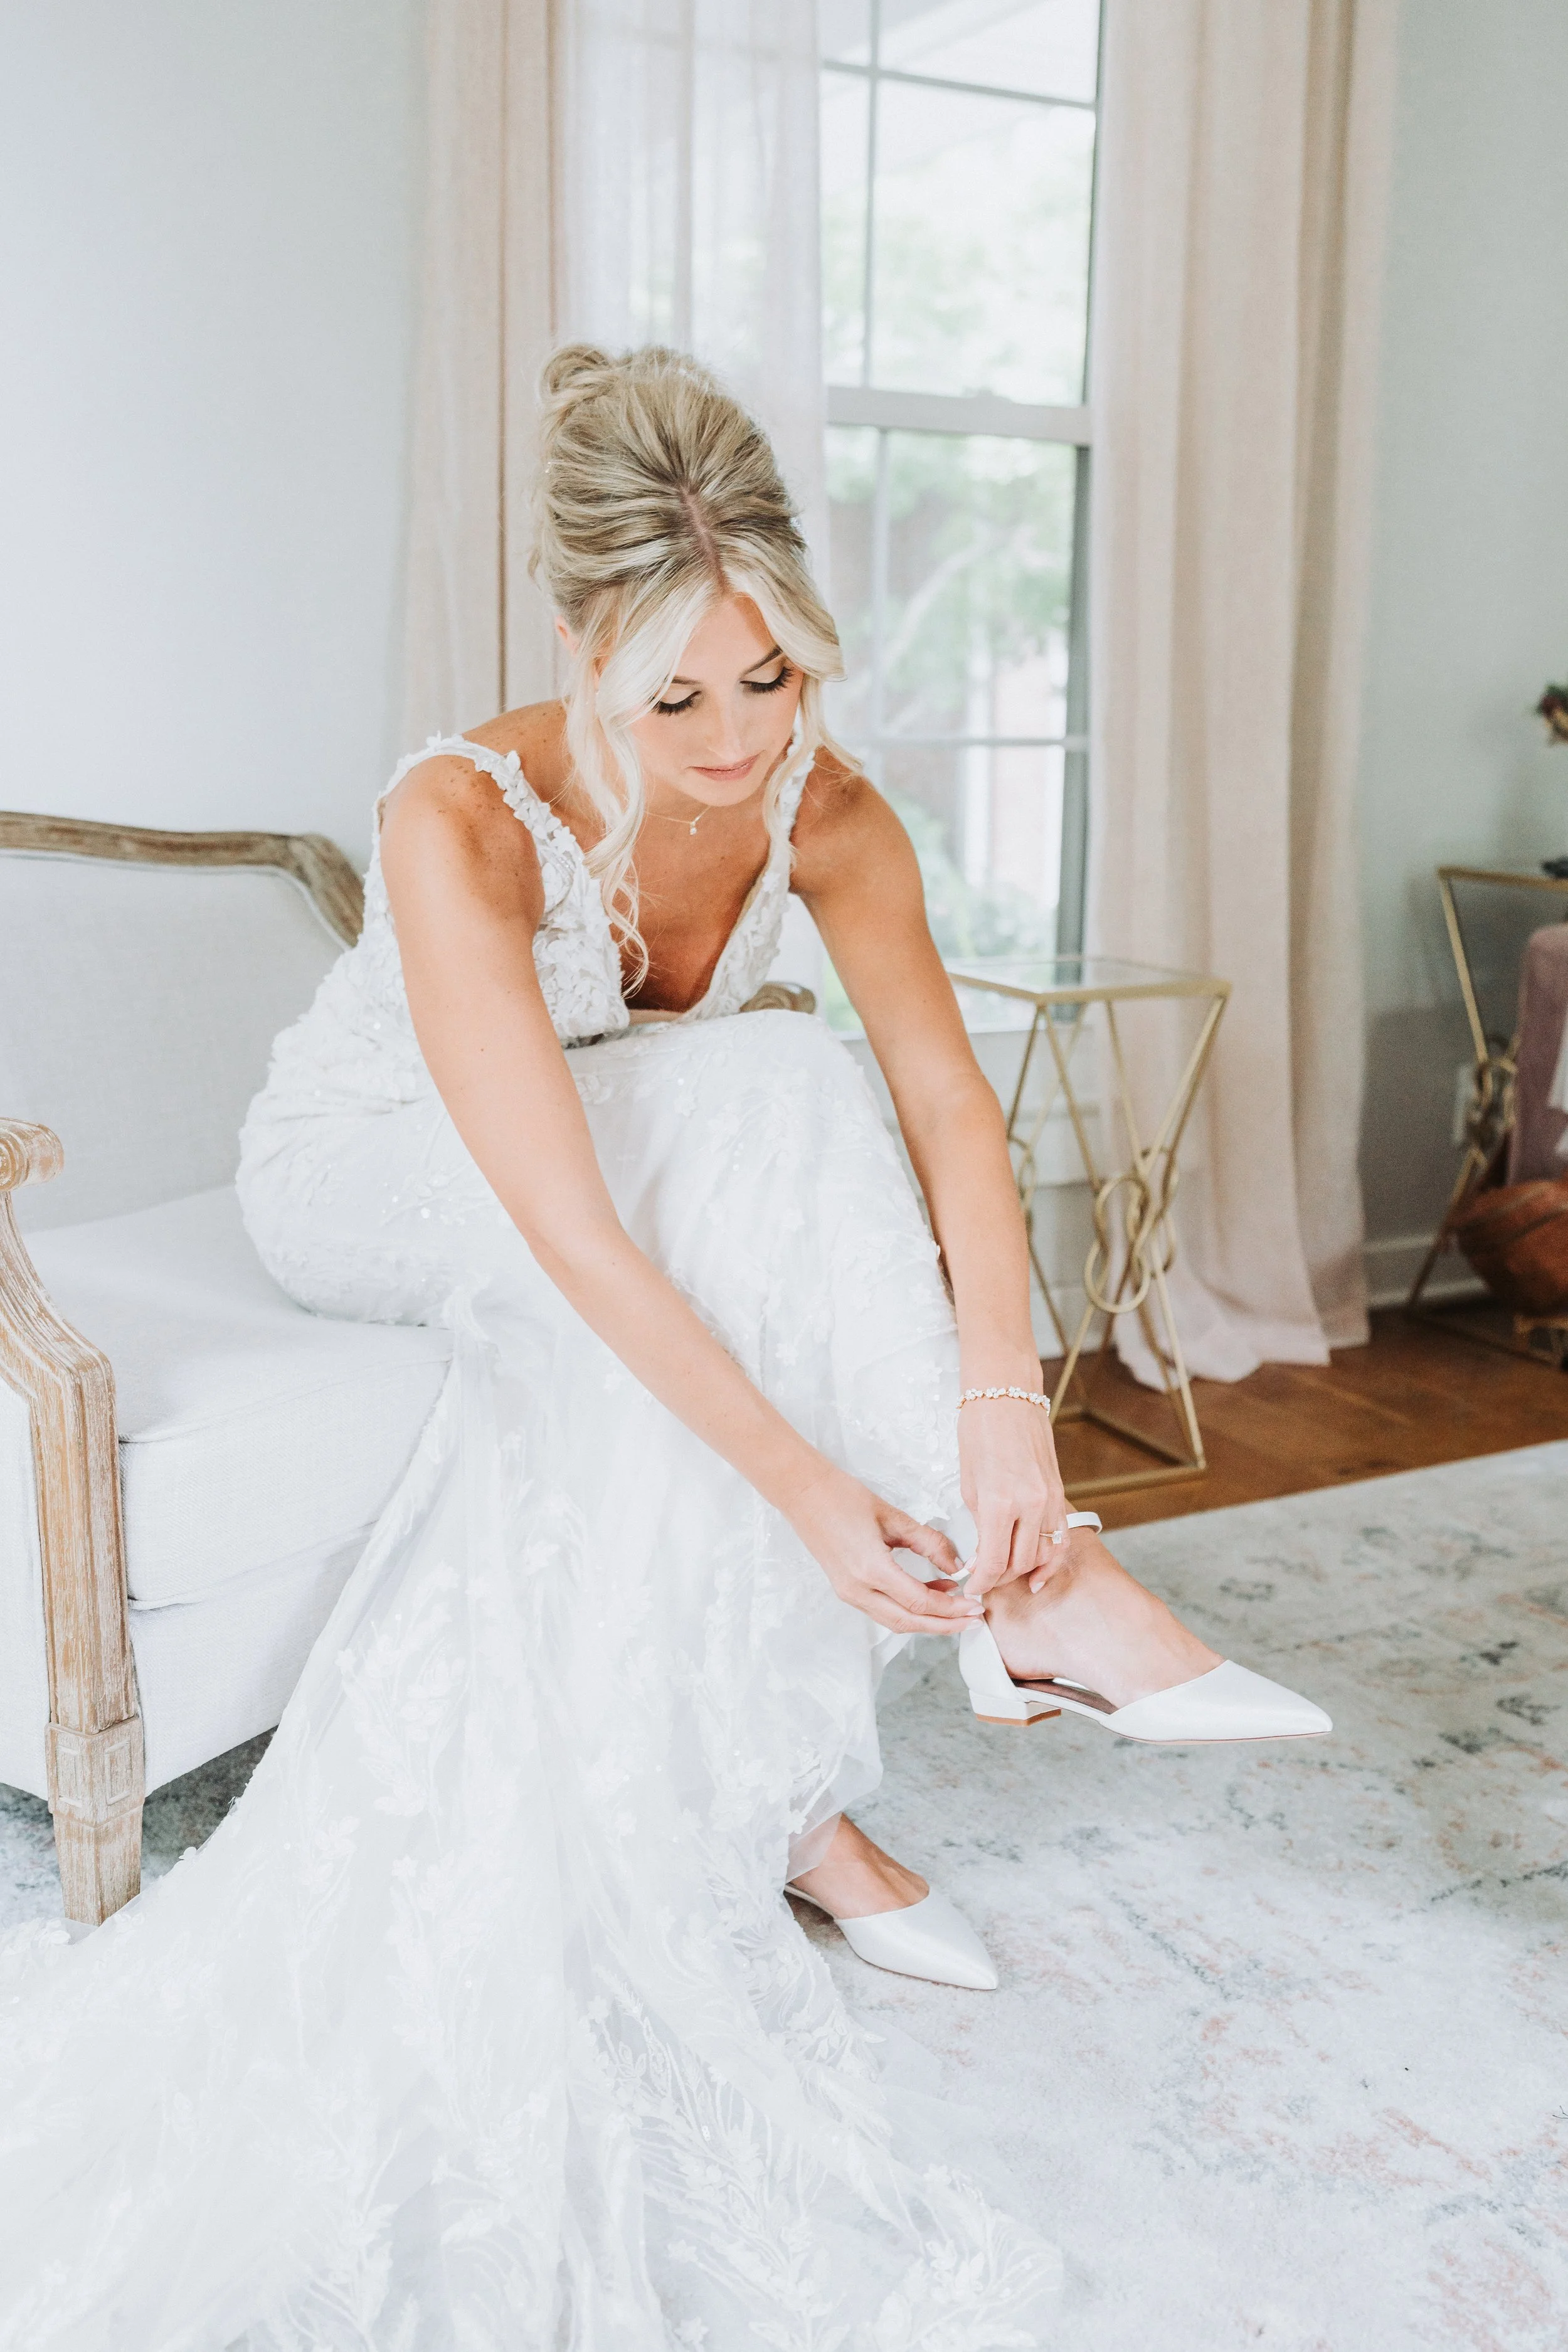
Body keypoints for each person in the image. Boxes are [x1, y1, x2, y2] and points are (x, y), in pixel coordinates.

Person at [0, 346, 1326, 2349]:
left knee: (786, 1098)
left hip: (614, 1158)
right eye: (673, 695)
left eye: (769, 676)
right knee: (734, 1133)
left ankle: (998, 1598)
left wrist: (1007, 1426)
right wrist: (806, 1492)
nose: (729, 740)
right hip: (373, 1174)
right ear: (578, 649)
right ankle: (893, 1734)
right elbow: (570, 1231)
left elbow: (956, 1115)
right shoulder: (462, 819)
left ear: (805, 639)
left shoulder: (830, 807)